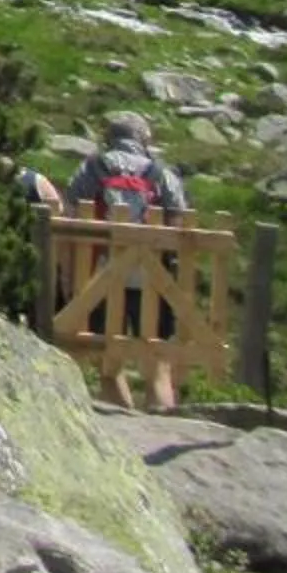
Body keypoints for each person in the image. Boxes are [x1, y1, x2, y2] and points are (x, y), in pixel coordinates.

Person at [64, 112, 190, 409]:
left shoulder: (91, 169)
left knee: (110, 365)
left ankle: (123, 429)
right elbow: (179, 224)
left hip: (102, 277)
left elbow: (70, 214)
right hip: (153, 280)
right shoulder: (162, 174)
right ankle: (161, 425)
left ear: (108, 139)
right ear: (143, 140)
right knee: (158, 366)